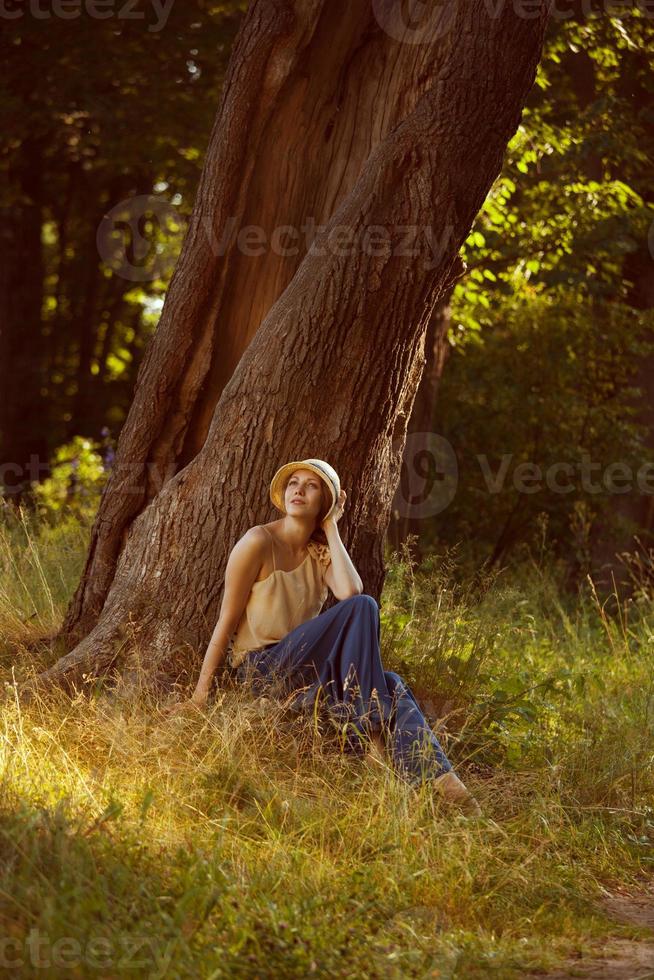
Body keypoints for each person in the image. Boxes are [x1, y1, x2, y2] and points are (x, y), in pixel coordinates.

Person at [173, 458, 482, 817]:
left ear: (325, 502)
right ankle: (373, 740)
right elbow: (225, 621)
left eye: (312, 486)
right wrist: (200, 695)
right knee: (364, 610)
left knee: (391, 681)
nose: (299, 490)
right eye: (293, 483)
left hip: (308, 674)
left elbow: (350, 589)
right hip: (260, 670)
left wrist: (332, 526)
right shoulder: (258, 542)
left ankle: (446, 785)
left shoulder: (319, 555)